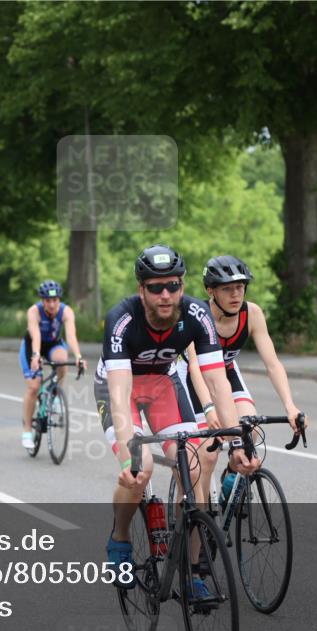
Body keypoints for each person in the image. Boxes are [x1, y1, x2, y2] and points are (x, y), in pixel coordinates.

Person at [93, 244, 259, 595]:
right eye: (155, 287)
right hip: (120, 388)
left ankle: (191, 573)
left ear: (183, 286)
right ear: (142, 290)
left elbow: (218, 382)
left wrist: (233, 445)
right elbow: (121, 397)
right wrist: (128, 455)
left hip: (163, 385)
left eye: (173, 285)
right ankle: (119, 539)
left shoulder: (197, 314)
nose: (165, 294)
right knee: (142, 469)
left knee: (196, 467)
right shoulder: (121, 319)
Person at [179, 255, 307, 505]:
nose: (235, 295)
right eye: (227, 289)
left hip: (226, 372)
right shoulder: (198, 316)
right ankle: (203, 514)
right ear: (210, 291)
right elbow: (195, 367)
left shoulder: (252, 314)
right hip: (195, 380)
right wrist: (210, 409)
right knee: (207, 454)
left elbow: (272, 363)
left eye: (240, 287)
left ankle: (231, 475)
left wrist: (290, 407)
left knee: (251, 430)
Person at [20, 280, 87, 451]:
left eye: (55, 300)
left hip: (53, 344)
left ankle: (56, 394)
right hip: (32, 346)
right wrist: (35, 356)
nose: (51, 304)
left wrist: (78, 356)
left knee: (62, 359)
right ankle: (27, 429)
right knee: (34, 387)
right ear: (42, 301)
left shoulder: (66, 312)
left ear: (59, 299)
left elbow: (71, 336)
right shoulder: (34, 312)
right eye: (47, 301)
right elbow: (35, 336)